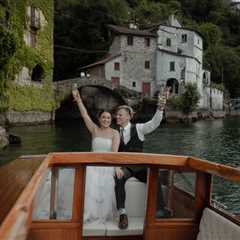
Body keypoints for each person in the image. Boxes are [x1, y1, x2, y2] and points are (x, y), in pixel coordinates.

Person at [114, 89, 169, 229]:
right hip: (125, 167)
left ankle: (159, 210)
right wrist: (117, 167)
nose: (117, 117)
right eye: (117, 115)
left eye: (120, 115)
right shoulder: (115, 133)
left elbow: (154, 123)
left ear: (128, 117)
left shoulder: (139, 128)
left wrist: (160, 108)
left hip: (140, 167)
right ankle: (122, 214)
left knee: (154, 177)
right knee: (119, 178)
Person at [72, 88, 120, 223]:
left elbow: (115, 153)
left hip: (107, 165)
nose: (106, 119)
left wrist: (116, 167)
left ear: (111, 120)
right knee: (90, 184)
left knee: (106, 189)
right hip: (93, 164)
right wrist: (79, 100)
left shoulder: (115, 133)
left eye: (108, 118)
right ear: (99, 119)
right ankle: (89, 214)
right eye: (104, 117)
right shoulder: (94, 129)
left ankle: (102, 215)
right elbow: (85, 115)